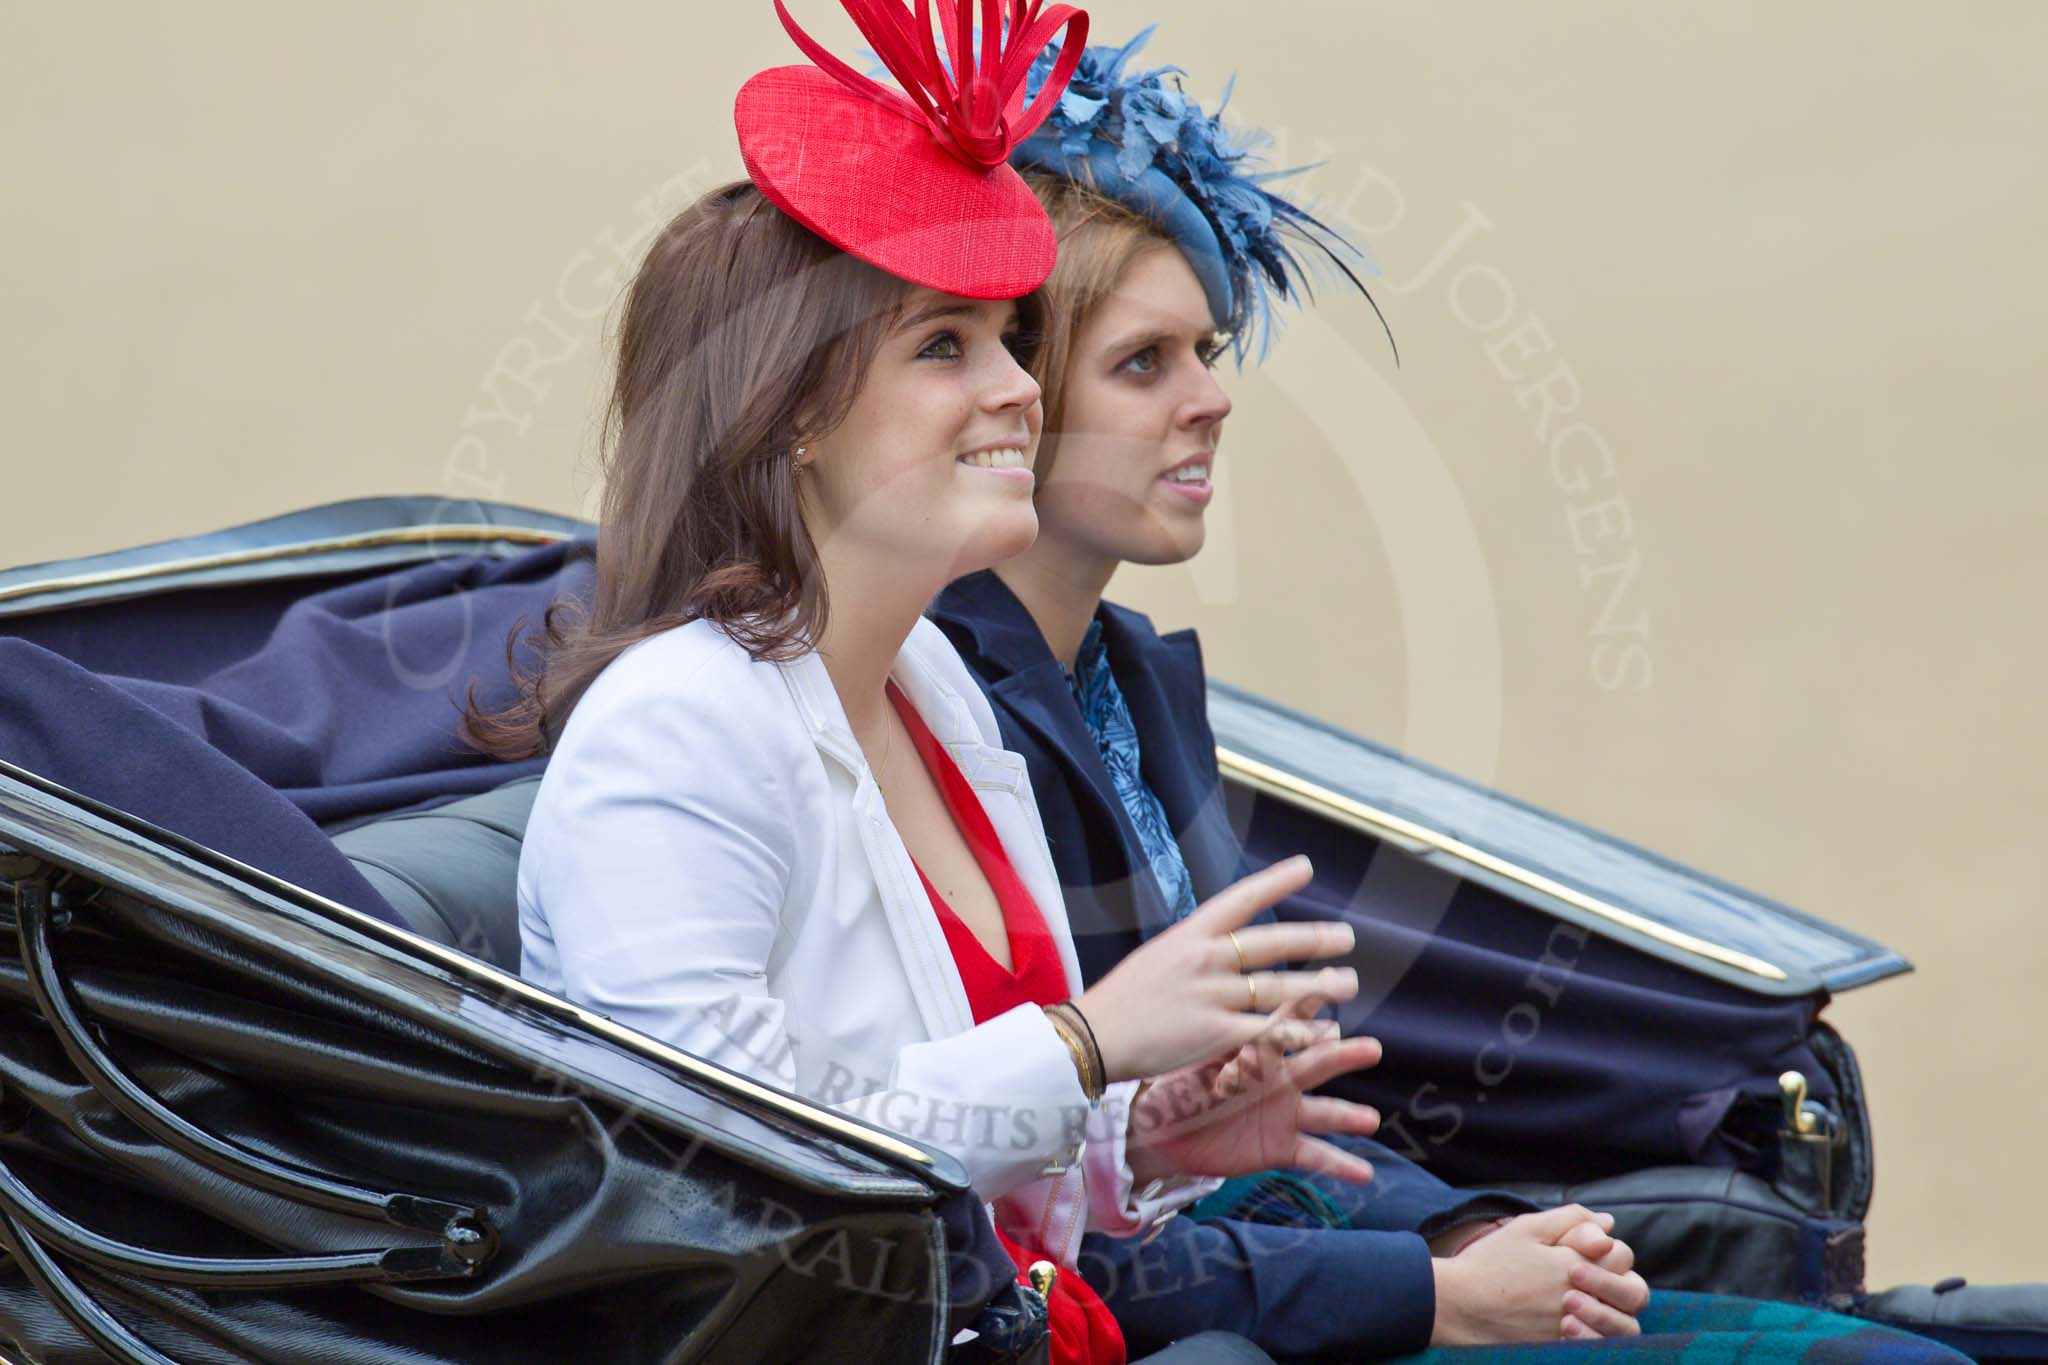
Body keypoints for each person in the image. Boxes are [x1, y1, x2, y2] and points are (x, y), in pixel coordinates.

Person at [930, 24, 1971, 1365]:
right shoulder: (941, 710)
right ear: (1019, 395)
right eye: (1148, 363)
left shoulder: (1136, 675)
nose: (1216, 399)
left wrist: (1465, 1229)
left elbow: (1272, 1123)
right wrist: (1437, 1288)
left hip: (1298, 1257)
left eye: (1210, 349)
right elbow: (1066, 1227)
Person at [465, 5, 1435, 1362]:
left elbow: (980, 1149)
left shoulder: (931, 681)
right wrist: (1092, 1042)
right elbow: (727, 1159)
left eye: (1007, 340)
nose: (1015, 390)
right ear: (795, 410)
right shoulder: (673, 730)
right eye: (945, 347)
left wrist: (1143, 1134)